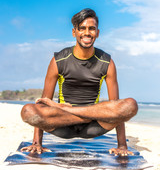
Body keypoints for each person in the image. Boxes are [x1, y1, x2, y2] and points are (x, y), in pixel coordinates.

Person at [21, 8, 138, 156]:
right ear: (74, 32)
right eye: (82, 28)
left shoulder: (107, 62)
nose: (87, 33)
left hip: (93, 126)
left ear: (98, 32)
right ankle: (74, 113)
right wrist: (36, 142)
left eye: (91, 28)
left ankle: (71, 110)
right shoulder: (59, 60)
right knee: (28, 111)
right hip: (62, 124)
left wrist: (122, 145)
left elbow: (115, 107)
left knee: (130, 105)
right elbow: (44, 102)